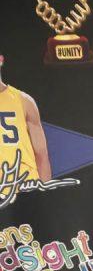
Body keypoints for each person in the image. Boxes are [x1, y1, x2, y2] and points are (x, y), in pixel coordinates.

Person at [0, 53, 52, 183]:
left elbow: (41, 154)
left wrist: (45, 192)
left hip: (24, 185)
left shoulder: (24, 100)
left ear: (1, 60)